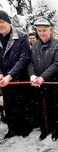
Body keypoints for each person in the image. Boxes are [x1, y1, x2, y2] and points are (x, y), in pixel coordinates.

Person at [28, 18, 58, 141]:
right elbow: (30, 63)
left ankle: (56, 129)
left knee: (55, 107)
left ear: (50, 30)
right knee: (42, 107)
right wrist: (32, 75)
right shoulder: (34, 45)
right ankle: (45, 128)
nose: (41, 33)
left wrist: (43, 77)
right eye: (39, 31)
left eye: (44, 30)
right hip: (39, 83)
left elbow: (56, 64)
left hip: (54, 82)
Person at [0, 10, 32, 138]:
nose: (0, 25)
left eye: (2, 22)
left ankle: (25, 128)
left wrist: (10, 75)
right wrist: (1, 74)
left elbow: (24, 58)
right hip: (4, 78)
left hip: (20, 76)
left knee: (23, 103)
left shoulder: (22, 36)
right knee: (9, 104)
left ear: (8, 22)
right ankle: (12, 129)